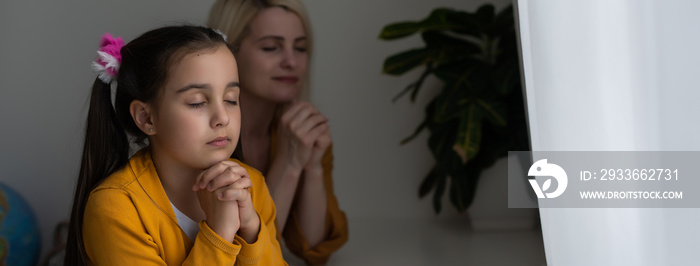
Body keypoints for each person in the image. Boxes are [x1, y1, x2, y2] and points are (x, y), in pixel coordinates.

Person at [64, 25, 286, 265]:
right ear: (146, 118)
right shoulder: (117, 207)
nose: (223, 117)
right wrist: (219, 234)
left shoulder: (252, 187)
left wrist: (251, 230)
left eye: (231, 99)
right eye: (197, 102)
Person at [208, 0, 348, 264]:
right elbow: (242, 257)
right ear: (230, 53)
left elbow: (315, 248)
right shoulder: (204, 137)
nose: (291, 61)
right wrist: (289, 163)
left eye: (301, 48)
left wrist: (312, 167)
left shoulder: (302, 132)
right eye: (271, 47)